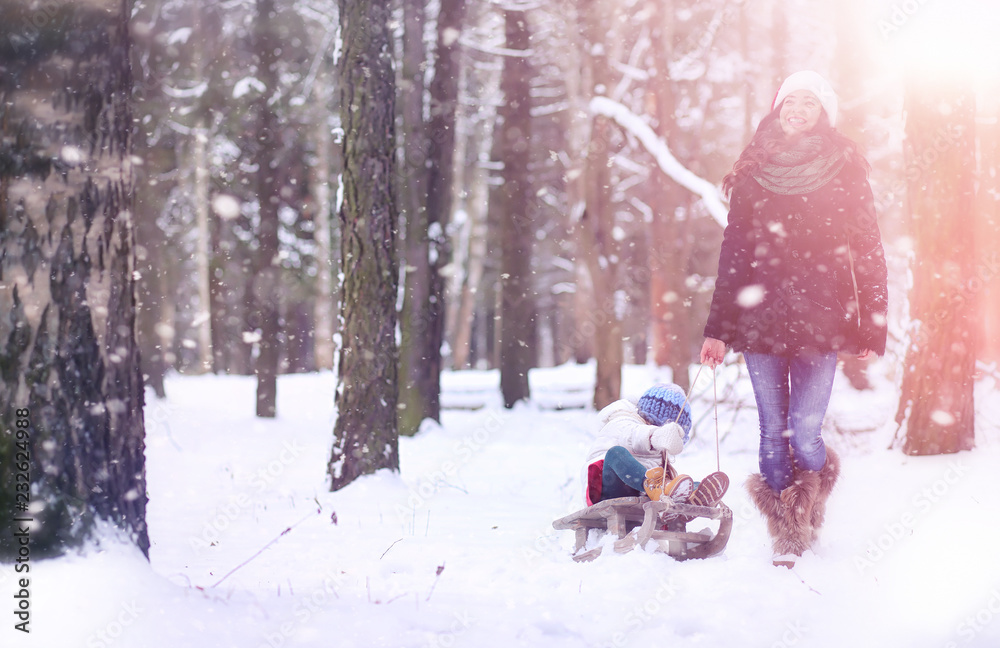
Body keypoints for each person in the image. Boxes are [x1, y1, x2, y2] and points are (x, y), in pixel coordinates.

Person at [700, 70, 888, 568]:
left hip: (821, 317)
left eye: (809, 101)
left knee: (804, 431)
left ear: (822, 113)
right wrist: (718, 328)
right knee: (771, 431)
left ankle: (809, 504)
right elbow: (734, 253)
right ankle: (788, 535)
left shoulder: (845, 167)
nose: (797, 108)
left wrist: (871, 321)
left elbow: (867, 248)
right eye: (790, 100)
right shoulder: (752, 169)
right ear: (777, 107)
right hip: (760, 319)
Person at [583, 383, 729, 510]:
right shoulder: (622, 419)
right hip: (605, 487)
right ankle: (659, 488)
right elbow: (633, 435)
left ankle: (694, 494)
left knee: (680, 483)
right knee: (616, 454)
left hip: (638, 489)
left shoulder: (657, 449)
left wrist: (673, 484)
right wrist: (657, 436)